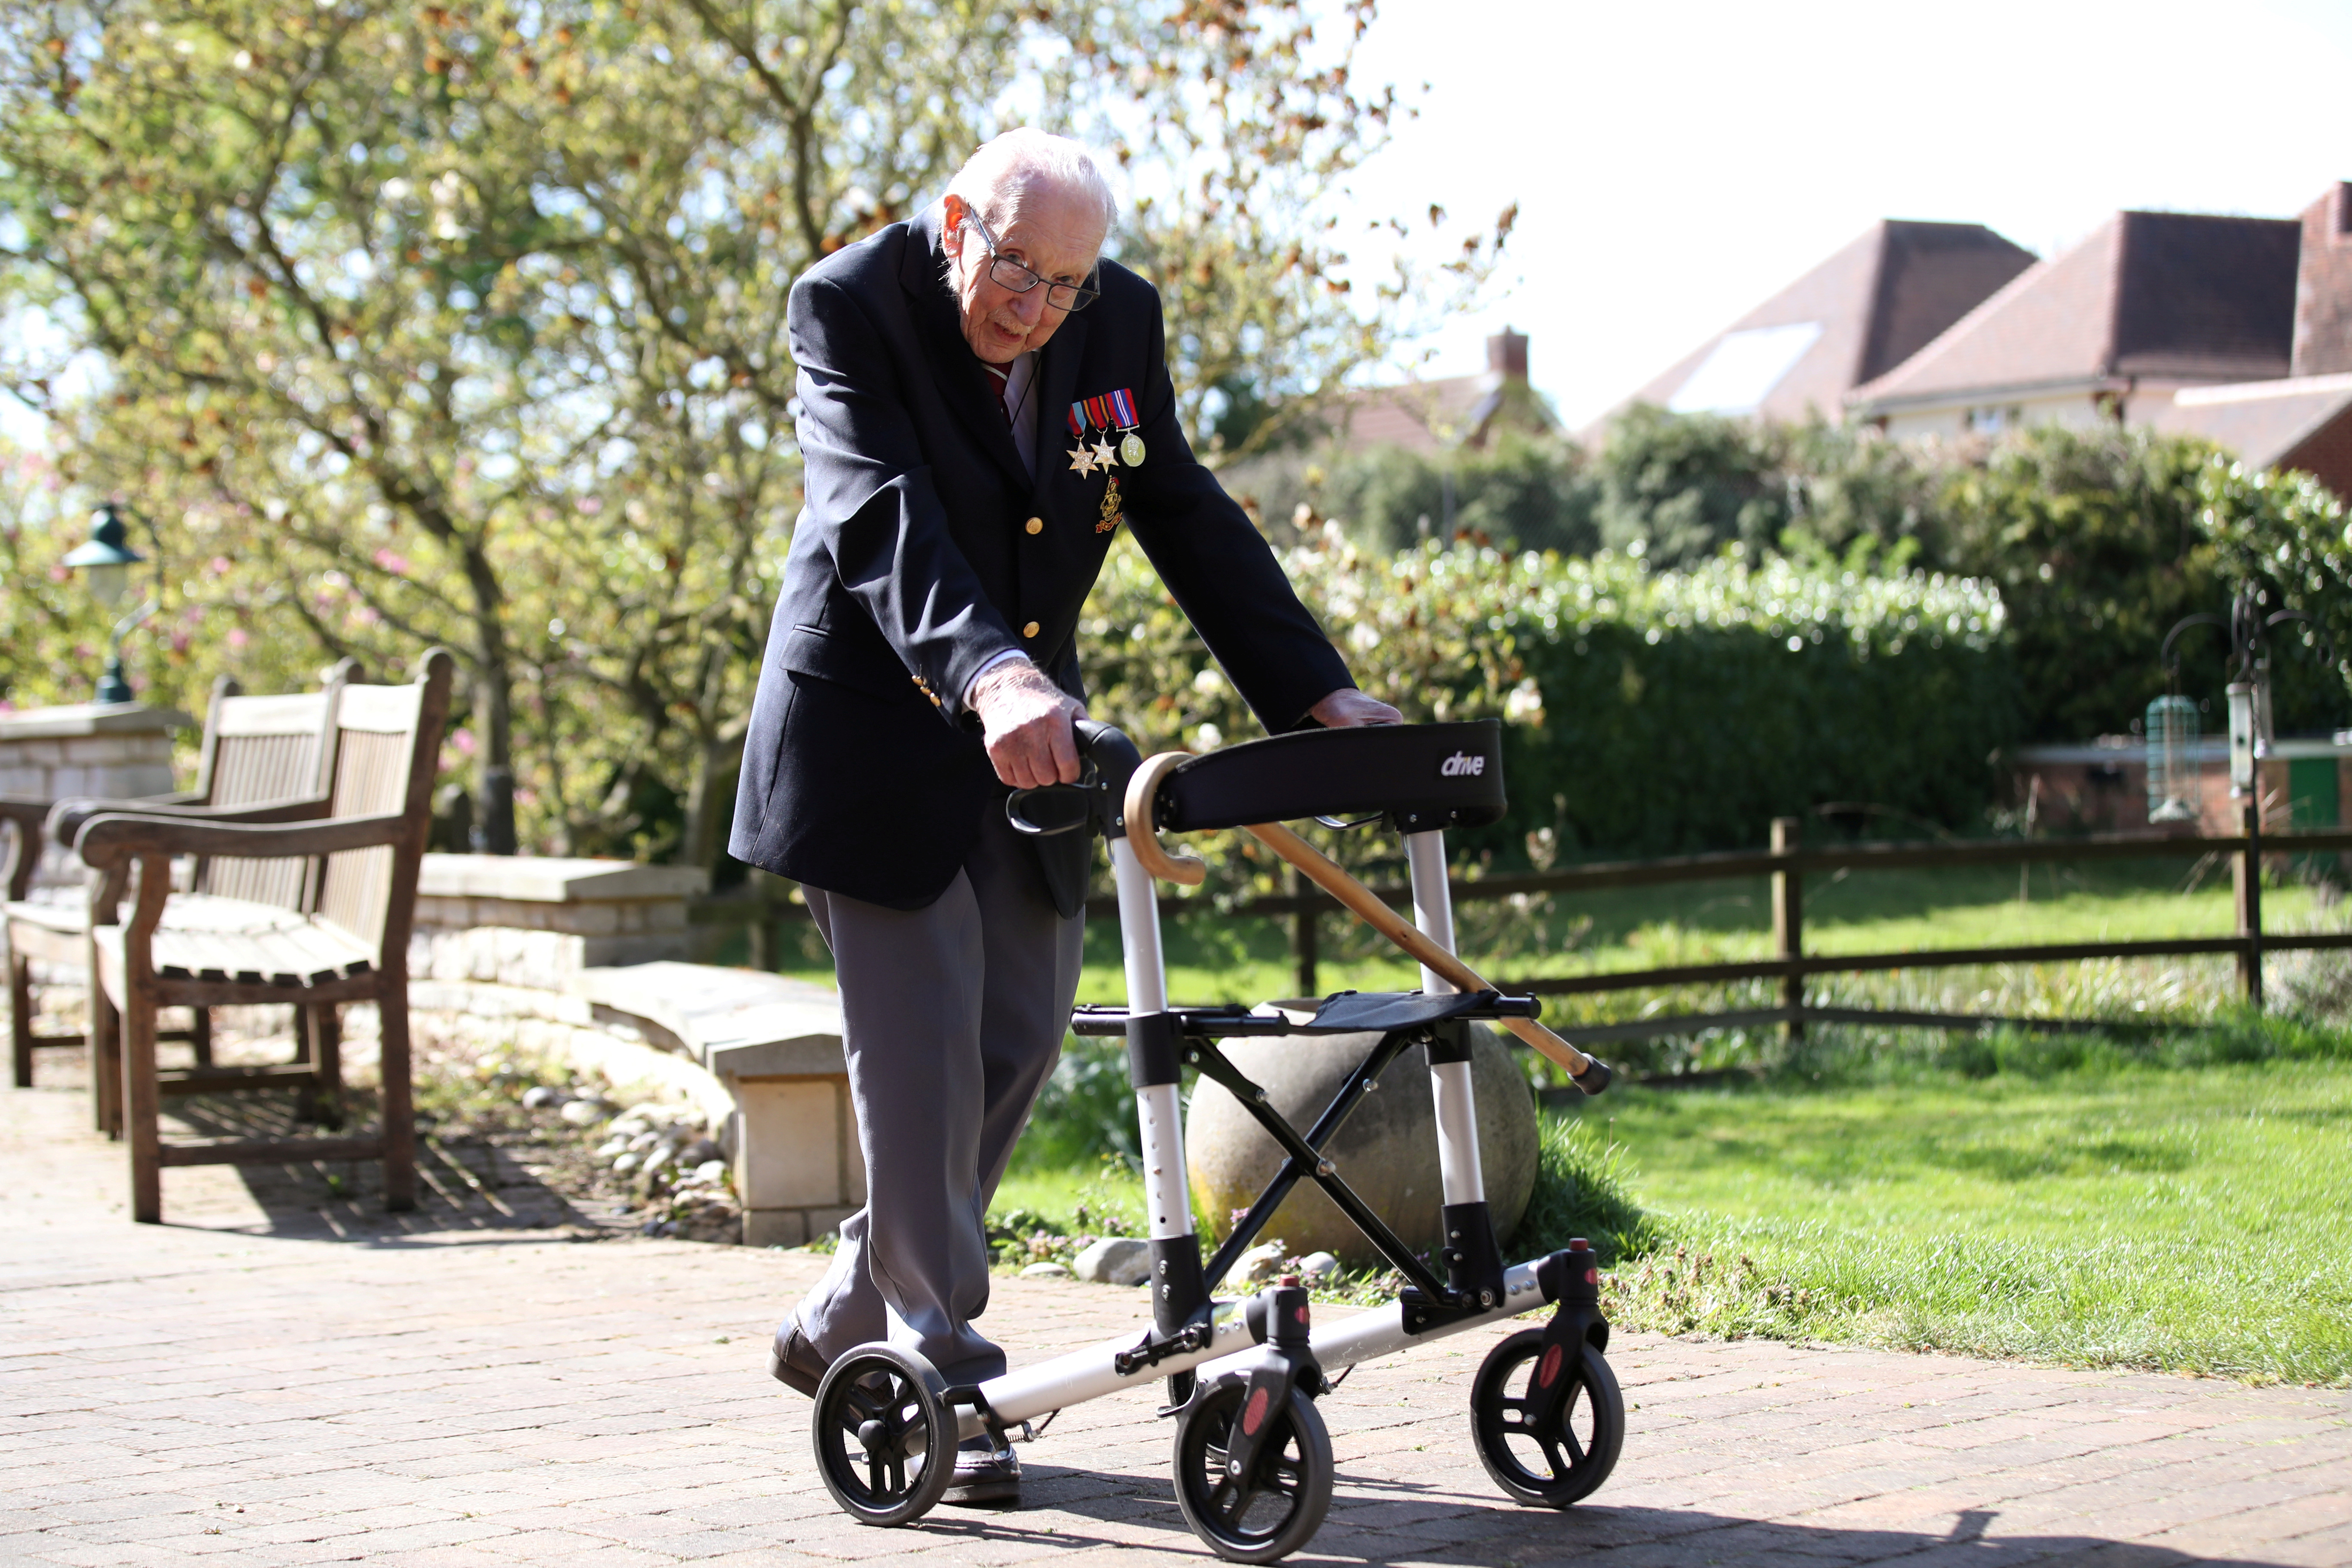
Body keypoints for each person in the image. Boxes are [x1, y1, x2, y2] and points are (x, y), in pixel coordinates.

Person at [729, 128, 1399, 1505]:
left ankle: (848, 1312)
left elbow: (1179, 506)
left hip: (1035, 751)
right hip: (874, 732)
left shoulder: (1119, 319)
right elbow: (877, 515)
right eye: (1016, 270)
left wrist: (1315, 691)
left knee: (1021, 1038)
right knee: (917, 1062)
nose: (1036, 309)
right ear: (956, 220)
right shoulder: (849, 305)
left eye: (1065, 286)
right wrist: (987, 670)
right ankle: (941, 1359)